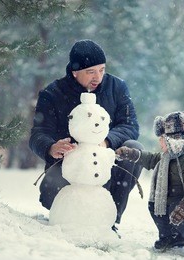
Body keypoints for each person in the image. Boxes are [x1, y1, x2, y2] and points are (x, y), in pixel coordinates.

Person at [29, 39, 143, 228]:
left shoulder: (117, 87)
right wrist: (51, 147)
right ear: (74, 72)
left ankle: (109, 220)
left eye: (102, 70)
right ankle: (68, 215)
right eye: (91, 71)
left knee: (134, 149)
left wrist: (106, 142)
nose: (98, 77)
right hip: (68, 168)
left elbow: (130, 126)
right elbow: (38, 134)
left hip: (105, 163)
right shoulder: (52, 93)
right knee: (57, 198)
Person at [115, 111, 184, 256]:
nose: (159, 142)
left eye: (162, 138)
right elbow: (150, 159)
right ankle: (171, 237)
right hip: (176, 201)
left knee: (176, 208)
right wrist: (131, 154)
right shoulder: (168, 157)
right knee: (155, 204)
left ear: (174, 140)